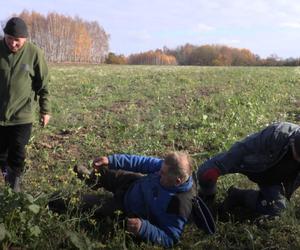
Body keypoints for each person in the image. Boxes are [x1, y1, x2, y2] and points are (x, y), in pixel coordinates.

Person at [50, 151, 196, 247]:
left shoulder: (179, 204)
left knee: (85, 202)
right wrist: (111, 160)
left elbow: (170, 238)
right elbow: (142, 162)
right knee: (106, 171)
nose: (158, 173)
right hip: (133, 184)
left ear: (177, 181)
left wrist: (144, 228)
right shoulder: (166, 167)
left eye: (162, 174)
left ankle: (54, 199)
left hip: (126, 208)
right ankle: (91, 179)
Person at [197, 122, 300, 217]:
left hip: (272, 180)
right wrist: (220, 168)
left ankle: (238, 196)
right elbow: (243, 148)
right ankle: (206, 199)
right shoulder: (277, 133)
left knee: (278, 210)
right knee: (206, 172)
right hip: (248, 163)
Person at [0, 17, 51, 192]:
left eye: (17, 41)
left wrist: (45, 110)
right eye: (9, 39)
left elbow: (43, 85)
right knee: (1, 155)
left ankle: (14, 188)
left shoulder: (34, 53)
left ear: (25, 39)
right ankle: (7, 179)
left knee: (17, 152)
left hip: (22, 116)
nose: (13, 44)